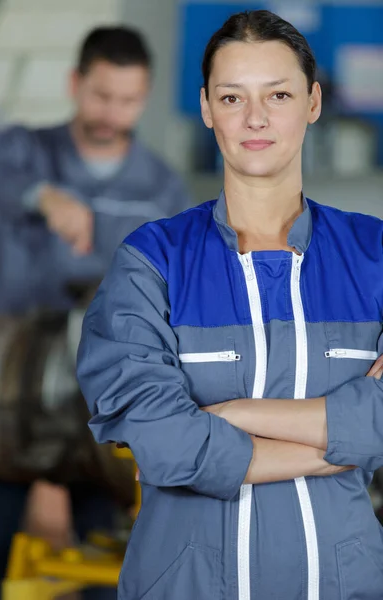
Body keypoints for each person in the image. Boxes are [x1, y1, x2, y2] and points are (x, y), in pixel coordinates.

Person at [77, 10, 383, 600]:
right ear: (206, 108)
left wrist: (228, 415)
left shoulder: (373, 254)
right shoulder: (151, 262)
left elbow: (185, 440)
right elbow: (165, 445)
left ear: (313, 102)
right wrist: (342, 446)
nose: (256, 118)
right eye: (232, 97)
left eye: (279, 93)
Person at [0, 26, 190, 600]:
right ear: (76, 84)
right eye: (100, 95)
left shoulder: (161, 187)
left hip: (98, 402)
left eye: (126, 100)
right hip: (4, 393)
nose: (111, 112)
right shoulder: (22, 151)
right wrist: (42, 197)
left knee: (113, 555)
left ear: (144, 98)